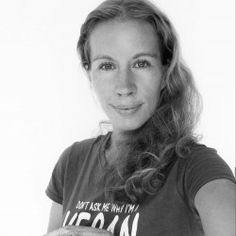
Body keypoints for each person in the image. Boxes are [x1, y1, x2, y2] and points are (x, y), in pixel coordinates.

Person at [44, 0, 236, 235]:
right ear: (88, 72)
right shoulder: (72, 162)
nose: (124, 86)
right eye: (107, 66)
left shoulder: (196, 168)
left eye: (141, 63)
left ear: (164, 72)